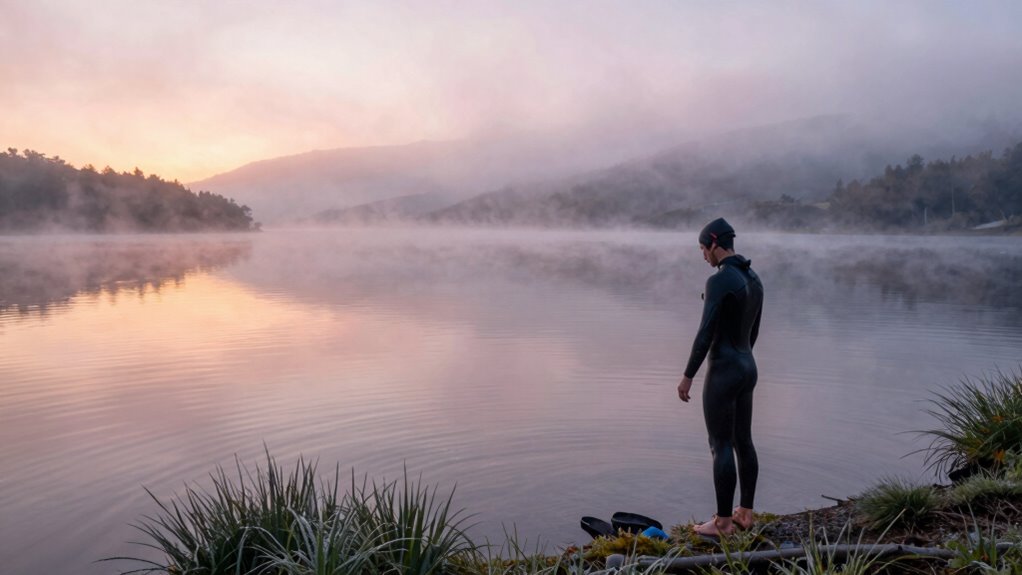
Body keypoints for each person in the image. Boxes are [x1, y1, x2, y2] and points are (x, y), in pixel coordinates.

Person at [677, 217, 764, 538]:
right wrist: (741, 361)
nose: (703, 256)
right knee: (744, 440)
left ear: (714, 244)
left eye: (703, 249)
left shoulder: (719, 280)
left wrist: (688, 375)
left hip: (724, 370)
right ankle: (746, 513)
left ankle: (723, 523)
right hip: (747, 364)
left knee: (720, 444)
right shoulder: (753, 277)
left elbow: (705, 334)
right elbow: (754, 331)